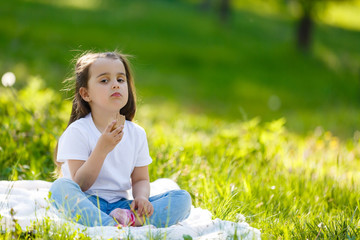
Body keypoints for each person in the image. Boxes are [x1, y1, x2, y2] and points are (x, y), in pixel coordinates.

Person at [49, 51, 191, 228]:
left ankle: (127, 220)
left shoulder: (136, 133)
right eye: (104, 80)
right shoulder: (77, 132)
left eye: (120, 80)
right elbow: (80, 184)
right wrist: (102, 149)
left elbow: (140, 179)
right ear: (86, 94)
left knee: (182, 199)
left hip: (122, 205)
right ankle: (111, 226)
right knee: (59, 189)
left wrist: (140, 198)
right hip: (88, 202)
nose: (115, 85)